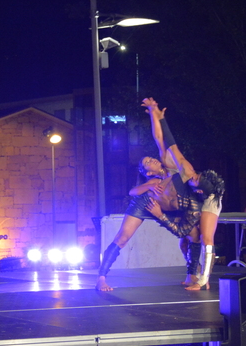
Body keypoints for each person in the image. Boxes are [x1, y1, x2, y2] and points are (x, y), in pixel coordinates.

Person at [95, 120, 203, 292]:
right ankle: (101, 278)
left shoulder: (169, 165)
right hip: (145, 203)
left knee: (194, 235)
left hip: (169, 208)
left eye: (150, 158)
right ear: (147, 173)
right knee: (122, 238)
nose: (151, 159)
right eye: (147, 163)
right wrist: (149, 186)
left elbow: (160, 140)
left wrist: (155, 114)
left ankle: (191, 274)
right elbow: (132, 192)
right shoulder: (152, 181)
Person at [143, 98, 225, 290]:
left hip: (208, 201)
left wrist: (158, 116)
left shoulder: (185, 171)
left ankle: (203, 280)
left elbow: (166, 142)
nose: (155, 160)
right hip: (190, 204)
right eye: (149, 163)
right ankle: (194, 273)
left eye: (151, 160)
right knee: (184, 244)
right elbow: (165, 141)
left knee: (206, 238)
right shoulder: (169, 166)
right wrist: (157, 115)